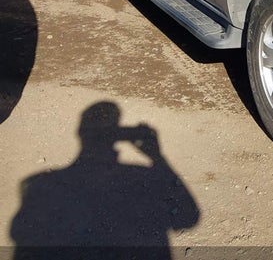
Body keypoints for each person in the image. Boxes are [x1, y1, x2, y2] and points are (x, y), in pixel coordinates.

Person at [10, 101, 199, 259]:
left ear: (80, 133)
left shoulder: (39, 184)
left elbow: (22, 238)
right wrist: (157, 157)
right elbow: (189, 217)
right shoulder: (142, 176)